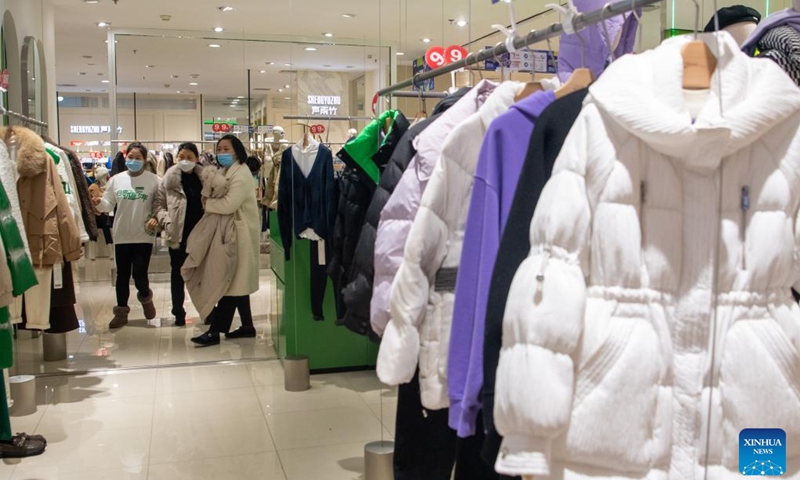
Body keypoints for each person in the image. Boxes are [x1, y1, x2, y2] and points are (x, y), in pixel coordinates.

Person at [191, 135, 260, 346]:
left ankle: (214, 332)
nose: (222, 152)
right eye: (219, 149)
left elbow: (229, 204)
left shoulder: (242, 174)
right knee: (236, 282)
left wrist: (208, 204)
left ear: (237, 151)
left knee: (229, 283)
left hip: (239, 237)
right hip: (231, 234)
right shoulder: (226, 172)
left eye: (226, 148)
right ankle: (247, 326)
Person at [93, 142, 161, 329]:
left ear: (145, 160)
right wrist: (99, 202)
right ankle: (121, 312)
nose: (133, 160)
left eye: (138, 158)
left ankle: (146, 298)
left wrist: (156, 218)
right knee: (122, 275)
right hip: (122, 234)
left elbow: (160, 204)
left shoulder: (155, 180)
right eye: (130, 157)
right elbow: (108, 203)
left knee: (139, 273)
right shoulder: (116, 180)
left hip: (144, 235)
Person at [151, 143, 204, 327]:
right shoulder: (167, 180)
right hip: (178, 235)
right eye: (181, 157)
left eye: (190, 157)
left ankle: (206, 310)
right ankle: (178, 311)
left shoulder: (206, 179)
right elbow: (158, 205)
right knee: (177, 273)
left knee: (202, 275)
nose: (185, 161)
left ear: (197, 159)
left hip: (201, 235)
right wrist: (166, 221)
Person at [88, 166, 113, 251]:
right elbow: (89, 200)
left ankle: (110, 251)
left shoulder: (110, 186)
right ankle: (93, 251)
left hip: (107, 214)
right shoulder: (93, 187)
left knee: (105, 227)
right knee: (94, 229)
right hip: (96, 213)